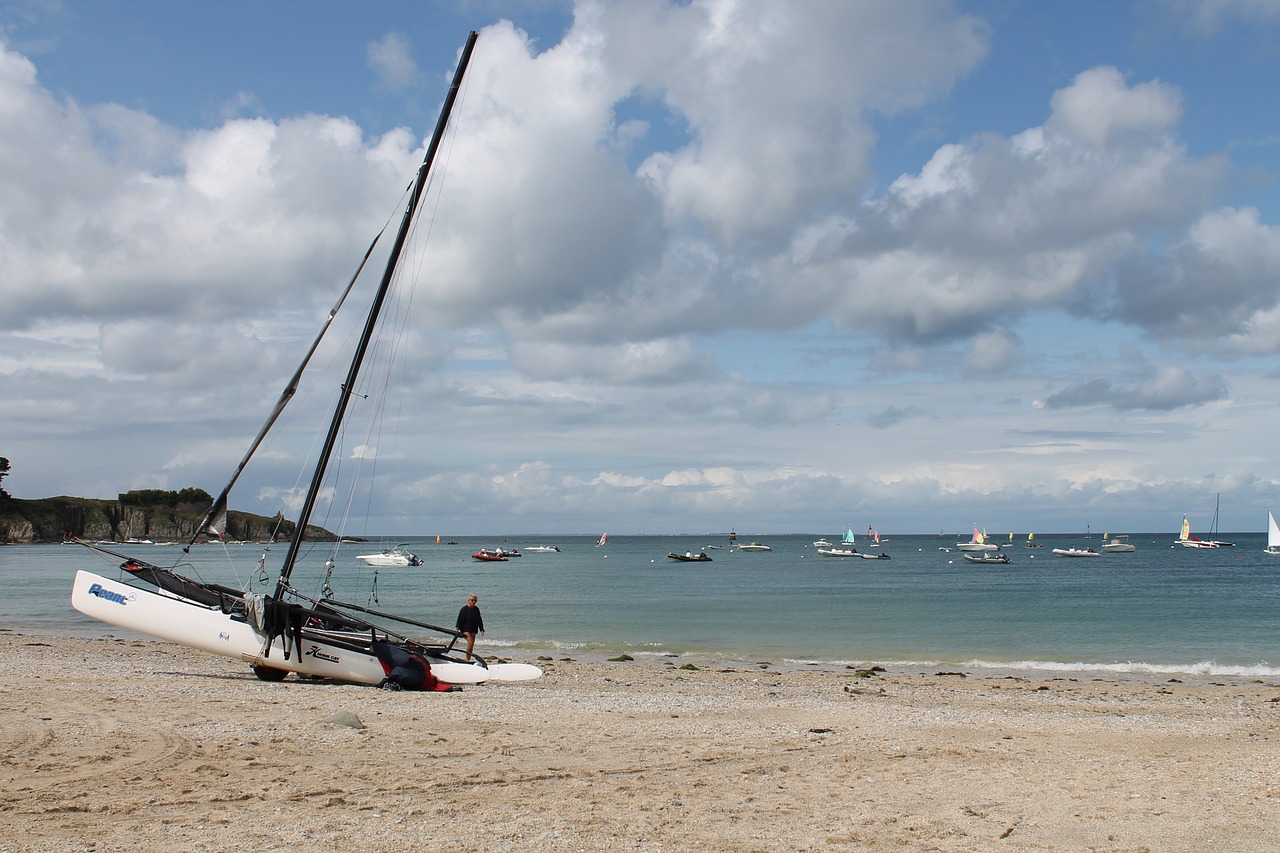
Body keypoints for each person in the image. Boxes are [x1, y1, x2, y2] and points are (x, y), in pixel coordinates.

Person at [455, 594, 484, 660]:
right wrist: (458, 628)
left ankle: (468, 658)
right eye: (472, 600)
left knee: (471, 644)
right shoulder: (464, 609)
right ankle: (467, 659)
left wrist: (481, 629)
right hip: (465, 629)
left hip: (473, 629)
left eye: (475, 601)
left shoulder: (476, 609)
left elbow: (479, 620)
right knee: (470, 642)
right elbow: (459, 619)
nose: (473, 602)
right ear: (468, 601)